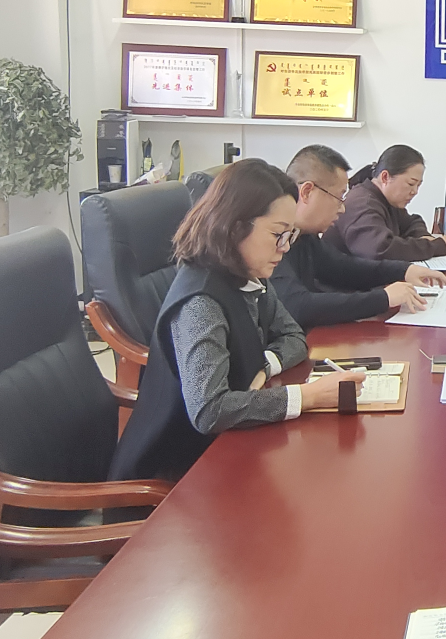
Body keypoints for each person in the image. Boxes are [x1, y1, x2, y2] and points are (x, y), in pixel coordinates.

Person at [109, 159, 345, 483]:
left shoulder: (247, 274)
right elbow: (210, 411)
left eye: (289, 235)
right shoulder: (201, 302)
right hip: (170, 478)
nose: (284, 248)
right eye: (277, 234)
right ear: (235, 228)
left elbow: (293, 336)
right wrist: (309, 397)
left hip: (221, 449)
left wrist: (262, 367)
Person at [270, 144, 446, 328]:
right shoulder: (274, 240)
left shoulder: (305, 236)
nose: (342, 208)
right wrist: (383, 298)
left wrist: (404, 270)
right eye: (339, 197)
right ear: (307, 192)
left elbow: (343, 267)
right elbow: (298, 306)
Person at [329, 144, 446, 262]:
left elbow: (412, 222)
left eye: (418, 185)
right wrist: (435, 247)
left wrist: (422, 236)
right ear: (385, 177)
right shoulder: (363, 203)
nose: (415, 192)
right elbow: (380, 249)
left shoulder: (386, 200)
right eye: (411, 184)